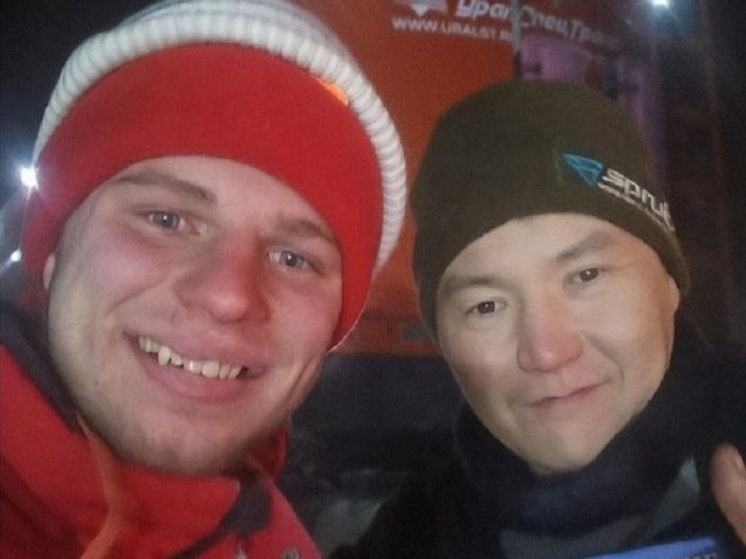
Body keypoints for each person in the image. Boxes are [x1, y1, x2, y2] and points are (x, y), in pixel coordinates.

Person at [0, 0, 406, 557]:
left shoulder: (275, 535)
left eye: (293, 258)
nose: (227, 296)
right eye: (166, 220)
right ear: (51, 249)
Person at [333, 80, 745, 557]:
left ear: (670, 281)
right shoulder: (416, 537)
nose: (547, 352)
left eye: (586, 276)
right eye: (487, 306)